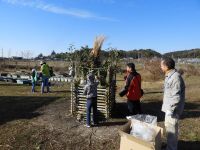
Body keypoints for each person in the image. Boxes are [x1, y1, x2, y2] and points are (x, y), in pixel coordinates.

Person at [160, 57, 185, 150]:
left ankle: (171, 148)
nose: (160, 67)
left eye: (161, 65)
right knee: (169, 129)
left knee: (172, 130)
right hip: (169, 109)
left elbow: (176, 96)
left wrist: (170, 110)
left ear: (166, 66)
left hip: (172, 110)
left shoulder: (175, 77)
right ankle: (170, 146)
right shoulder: (169, 75)